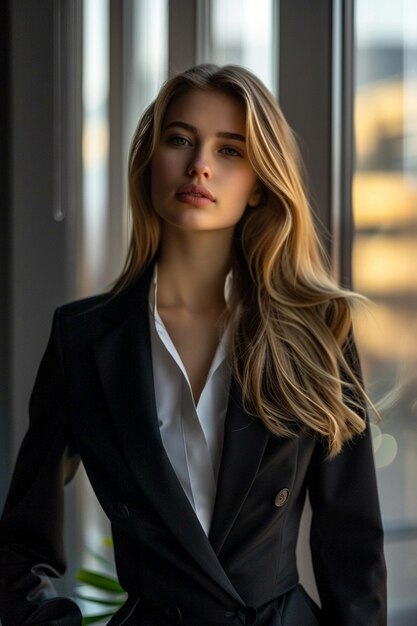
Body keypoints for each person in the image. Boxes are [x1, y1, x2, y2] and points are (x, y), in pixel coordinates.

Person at [0, 64, 386, 625]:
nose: (199, 164)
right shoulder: (83, 339)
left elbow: (353, 550)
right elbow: (19, 545)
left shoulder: (319, 328)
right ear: (149, 162)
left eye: (230, 151)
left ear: (259, 185)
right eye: (180, 140)